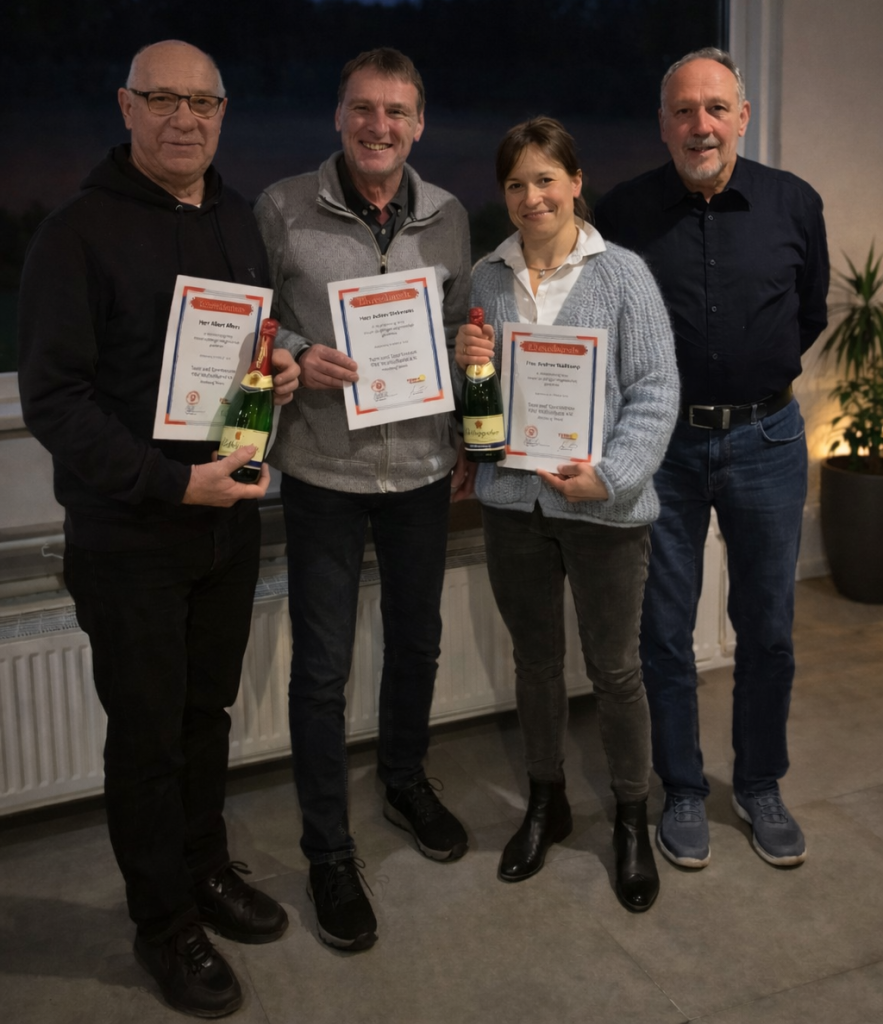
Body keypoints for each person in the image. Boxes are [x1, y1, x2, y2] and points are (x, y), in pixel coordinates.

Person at [17, 40, 299, 1019]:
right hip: (132, 538)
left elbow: (248, 356)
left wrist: (279, 377)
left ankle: (206, 868)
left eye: (203, 102)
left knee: (204, 718)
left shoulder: (236, 218)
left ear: (223, 112)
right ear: (126, 108)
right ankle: (161, 919)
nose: (185, 119)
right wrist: (172, 485)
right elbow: (56, 399)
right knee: (147, 741)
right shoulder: (75, 234)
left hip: (227, 531)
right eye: (163, 100)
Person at [253, 47, 472, 951]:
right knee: (323, 670)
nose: (377, 126)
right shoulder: (280, 208)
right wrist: (297, 351)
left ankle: (404, 778)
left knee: (418, 643)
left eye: (396, 111)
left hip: (421, 472)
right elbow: (254, 318)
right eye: (361, 109)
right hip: (323, 477)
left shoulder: (449, 216)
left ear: (417, 124)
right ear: (337, 115)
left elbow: (462, 327)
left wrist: (468, 398)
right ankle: (328, 848)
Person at [594, 48, 829, 870]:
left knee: (765, 628)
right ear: (663, 124)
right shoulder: (621, 214)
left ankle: (759, 782)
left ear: (742, 115)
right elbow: (600, 328)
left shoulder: (793, 202)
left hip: (767, 441)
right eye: (684, 111)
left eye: (715, 108)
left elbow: (805, 314)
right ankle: (684, 788)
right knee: (662, 631)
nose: (701, 125)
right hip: (660, 447)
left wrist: (748, 381)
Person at [453, 117, 679, 912]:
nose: (530, 196)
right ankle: (545, 803)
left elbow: (655, 390)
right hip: (513, 503)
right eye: (515, 184)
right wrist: (465, 371)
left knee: (617, 671)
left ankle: (628, 816)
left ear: (575, 182)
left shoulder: (622, 275)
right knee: (537, 664)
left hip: (603, 509)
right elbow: (477, 405)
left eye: (545, 179)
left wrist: (611, 476)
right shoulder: (486, 277)